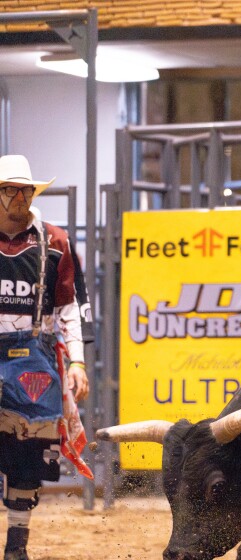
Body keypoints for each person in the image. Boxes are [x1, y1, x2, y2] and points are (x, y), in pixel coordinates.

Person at [0, 154, 91, 560]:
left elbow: (68, 307)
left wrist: (77, 362)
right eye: (9, 190)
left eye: (25, 189)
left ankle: (17, 545)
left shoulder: (55, 241)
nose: (19, 197)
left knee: (28, 449)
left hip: (32, 353)